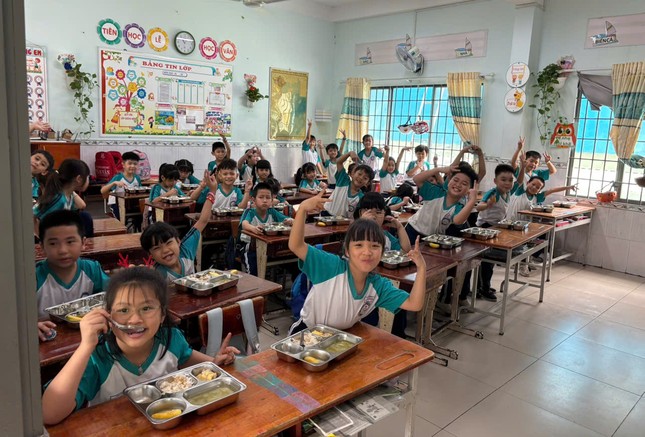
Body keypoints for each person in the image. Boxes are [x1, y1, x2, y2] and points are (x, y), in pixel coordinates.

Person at [41, 267, 239, 425]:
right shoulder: (98, 358)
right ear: (107, 315)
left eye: (146, 308)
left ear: (162, 315)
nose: (134, 319)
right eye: (123, 310)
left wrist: (215, 363)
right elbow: (49, 414)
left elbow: (187, 358)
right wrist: (85, 347)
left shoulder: (170, 338)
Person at [287, 191, 426, 334]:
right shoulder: (331, 266)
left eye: (375, 246)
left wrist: (421, 268)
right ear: (347, 251)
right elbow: (296, 246)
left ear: (382, 252)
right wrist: (303, 209)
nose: (367, 252)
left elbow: (414, 304)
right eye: (359, 245)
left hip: (343, 338)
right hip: (307, 333)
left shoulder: (378, 286)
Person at [36, 210, 109, 340]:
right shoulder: (34, 277)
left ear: (83, 243)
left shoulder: (92, 270)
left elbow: (113, 297)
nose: (63, 250)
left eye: (70, 242)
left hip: (91, 343)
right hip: (47, 348)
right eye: (53, 243)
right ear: (42, 246)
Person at [140, 175, 218, 281]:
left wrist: (212, 191)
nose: (165, 250)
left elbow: (203, 220)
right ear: (150, 255)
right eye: (157, 248)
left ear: (178, 241)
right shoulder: (156, 275)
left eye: (168, 243)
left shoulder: (186, 249)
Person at [474, 163, 522, 301]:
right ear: (495, 181)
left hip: (496, 228)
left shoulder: (507, 193)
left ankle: (483, 286)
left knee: (489, 261)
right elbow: (479, 207)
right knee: (485, 261)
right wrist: (488, 204)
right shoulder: (492, 192)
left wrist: (523, 165)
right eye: (503, 179)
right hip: (485, 228)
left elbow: (519, 181)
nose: (507, 183)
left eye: (510, 180)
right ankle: (482, 288)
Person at [405, 164, 479, 242]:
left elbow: (458, 221)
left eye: (464, 184)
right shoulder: (436, 192)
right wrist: (437, 170)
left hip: (433, 239)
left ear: (469, 190)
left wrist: (472, 200)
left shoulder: (460, 206)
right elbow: (416, 179)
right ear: (449, 181)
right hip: (412, 230)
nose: (458, 185)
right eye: (455, 180)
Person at [239, 182, 294, 275]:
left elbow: (287, 219)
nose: (265, 200)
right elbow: (244, 224)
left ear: (272, 200)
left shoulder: (272, 212)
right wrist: (253, 228)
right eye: (261, 197)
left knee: (293, 262)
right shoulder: (251, 212)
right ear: (253, 200)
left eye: (268, 198)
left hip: (269, 248)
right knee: (254, 272)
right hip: (250, 248)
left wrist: (290, 221)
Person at [33, 159, 91, 238]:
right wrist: (41, 237)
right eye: (88, 177)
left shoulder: (68, 196)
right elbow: (32, 215)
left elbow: (82, 205)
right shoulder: (58, 199)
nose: (89, 180)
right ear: (79, 179)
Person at [323, 151, 373, 218]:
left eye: (365, 178)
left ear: (368, 183)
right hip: (326, 214)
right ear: (353, 173)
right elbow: (339, 162)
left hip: (343, 222)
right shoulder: (343, 180)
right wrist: (349, 153)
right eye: (359, 174)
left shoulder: (361, 197)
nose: (361, 178)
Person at [100, 152, 142, 221]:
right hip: (117, 204)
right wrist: (114, 183)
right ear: (123, 164)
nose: (132, 166)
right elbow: (102, 191)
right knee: (120, 216)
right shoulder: (118, 177)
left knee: (141, 214)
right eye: (130, 163)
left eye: (135, 164)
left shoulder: (137, 178)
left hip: (132, 204)